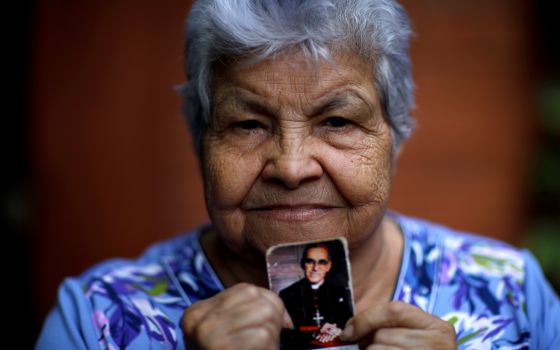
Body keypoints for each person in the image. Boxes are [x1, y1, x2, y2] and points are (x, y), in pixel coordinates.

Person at [36, 0, 560, 349]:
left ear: (394, 138)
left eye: (336, 121)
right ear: (201, 142)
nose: (290, 166)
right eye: (246, 124)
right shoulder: (95, 320)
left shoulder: (511, 294)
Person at [279, 243, 353, 348]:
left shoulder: (341, 292)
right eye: (310, 262)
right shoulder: (287, 294)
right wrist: (314, 334)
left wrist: (337, 330)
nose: (315, 268)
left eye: (321, 262)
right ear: (303, 264)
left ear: (328, 266)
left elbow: (349, 323)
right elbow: (285, 335)